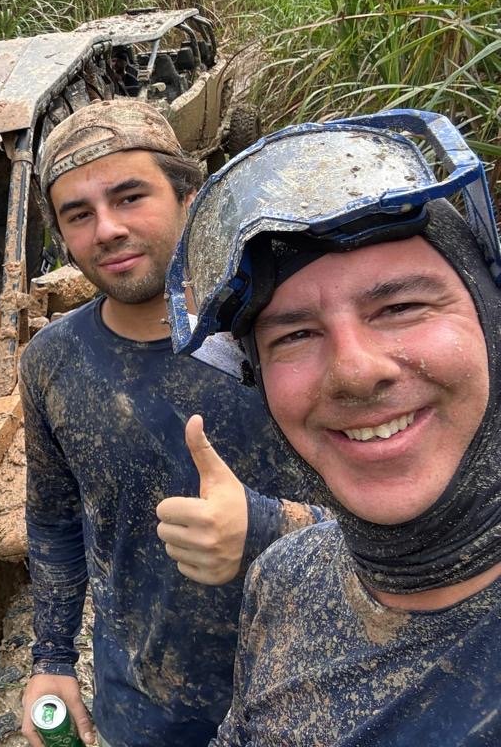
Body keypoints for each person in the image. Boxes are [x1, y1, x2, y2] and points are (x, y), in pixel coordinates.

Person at [168, 109, 500, 746]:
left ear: (490, 319)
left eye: (401, 306)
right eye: (294, 334)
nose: (353, 371)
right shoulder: (287, 579)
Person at [20, 99, 321, 747]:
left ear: (189, 196)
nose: (106, 229)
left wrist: (270, 525)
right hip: (144, 710)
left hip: (308, 697)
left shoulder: (281, 334)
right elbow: (53, 519)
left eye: (130, 198)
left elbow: (406, 526)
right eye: (79, 214)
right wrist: (51, 662)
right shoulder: (51, 362)